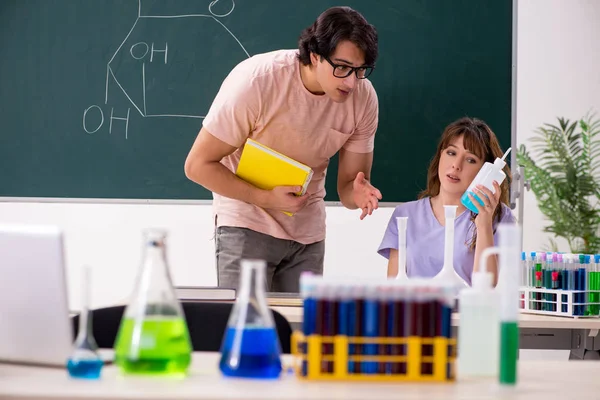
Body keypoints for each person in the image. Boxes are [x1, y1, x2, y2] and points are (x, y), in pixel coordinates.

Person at [184, 6, 382, 293]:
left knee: (298, 334)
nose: (351, 82)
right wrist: (265, 197)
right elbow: (197, 165)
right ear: (315, 55)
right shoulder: (258, 81)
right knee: (246, 329)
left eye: (360, 70)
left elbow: (349, 190)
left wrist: (359, 194)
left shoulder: (364, 99)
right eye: (342, 67)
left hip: (307, 235)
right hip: (246, 224)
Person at [377, 117, 516, 285]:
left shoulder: (500, 217)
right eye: (451, 153)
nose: (456, 165)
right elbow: (394, 287)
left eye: (470, 159)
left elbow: (487, 287)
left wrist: (484, 224)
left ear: (484, 171)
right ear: (440, 156)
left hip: (467, 311)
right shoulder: (405, 215)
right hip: (417, 310)